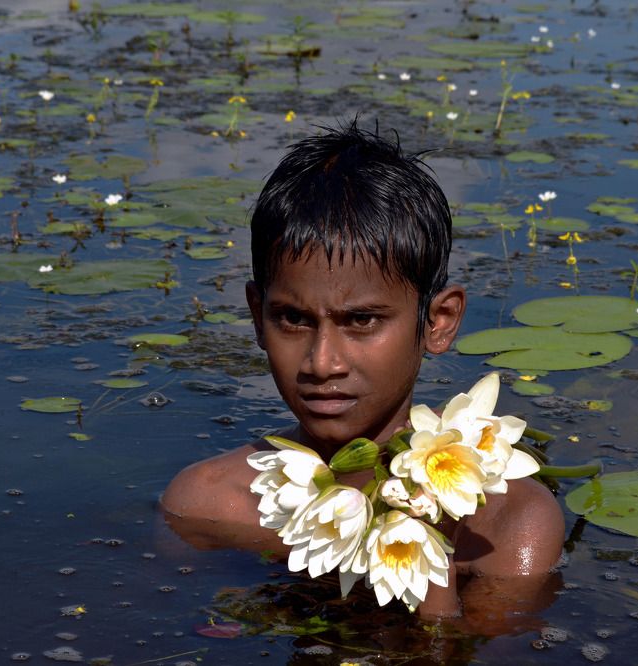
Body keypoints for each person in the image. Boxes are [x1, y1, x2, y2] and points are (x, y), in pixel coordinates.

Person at [161, 121, 564, 623]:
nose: (322, 362)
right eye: (292, 318)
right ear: (257, 316)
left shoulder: (510, 523)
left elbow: (460, 655)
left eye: (362, 320)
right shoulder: (206, 505)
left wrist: (422, 537)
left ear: (438, 323)